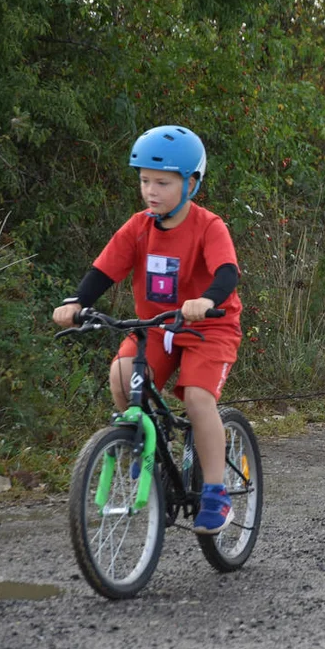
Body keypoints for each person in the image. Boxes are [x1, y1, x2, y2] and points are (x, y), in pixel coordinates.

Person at [52, 125, 243, 534]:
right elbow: (104, 270)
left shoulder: (209, 227)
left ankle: (215, 493)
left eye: (163, 182)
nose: (151, 190)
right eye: (144, 181)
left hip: (209, 327)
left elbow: (227, 272)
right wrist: (76, 303)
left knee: (196, 399)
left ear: (191, 183)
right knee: (122, 377)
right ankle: (150, 446)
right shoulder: (138, 227)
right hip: (155, 327)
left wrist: (207, 300)